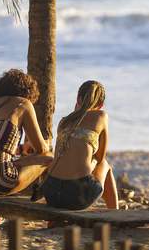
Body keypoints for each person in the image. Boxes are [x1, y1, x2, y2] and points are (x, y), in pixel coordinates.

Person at [39, 80, 118, 211]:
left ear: (78, 99)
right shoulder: (101, 116)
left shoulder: (64, 121)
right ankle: (114, 213)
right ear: (101, 104)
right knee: (105, 165)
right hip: (77, 195)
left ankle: (53, 220)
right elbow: (100, 157)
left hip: (51, 193)